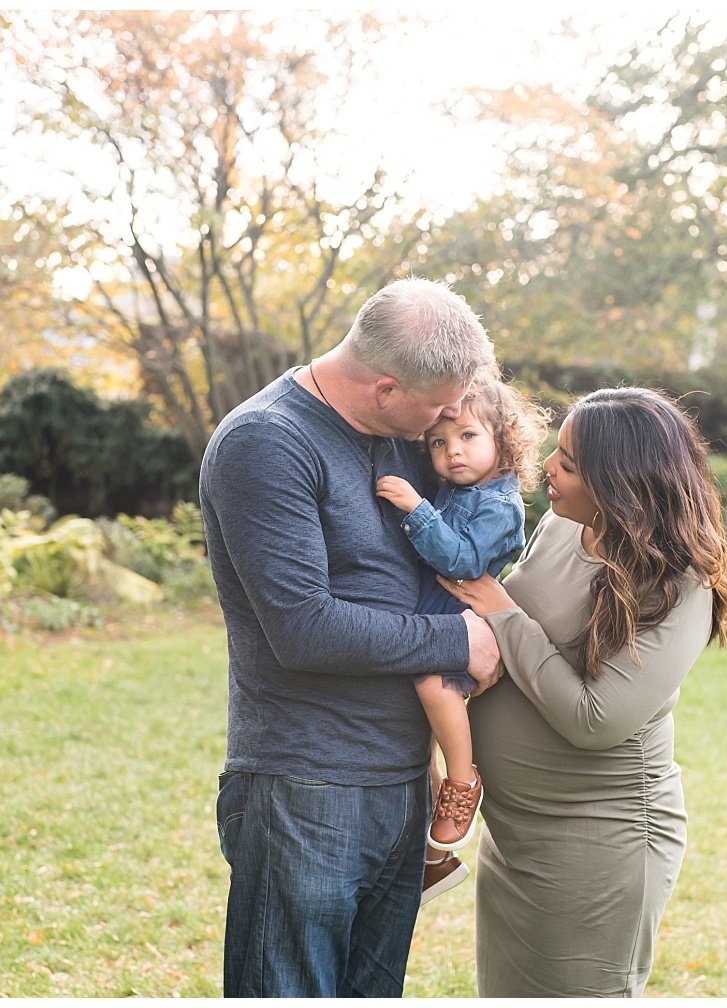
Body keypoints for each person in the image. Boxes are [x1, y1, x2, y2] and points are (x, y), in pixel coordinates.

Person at [198, 277, 504, 998]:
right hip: (307, 785)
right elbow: (302, 628)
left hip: (400, 782)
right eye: (438, 408)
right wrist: (456, 642)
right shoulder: (266, 442)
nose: (450, 419)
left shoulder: (400, 439)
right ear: (386, 387)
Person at [441, 386, 727, 997]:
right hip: (517, 835)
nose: (547, 467)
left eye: (570, 464)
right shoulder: (560, 524)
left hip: (597, 843)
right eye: (558, 452)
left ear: (623, 485)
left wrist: (500, 611)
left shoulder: (680, 585)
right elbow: (519, 644)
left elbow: (596, 718)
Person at [374, 368, 549, 898]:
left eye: (468, 437)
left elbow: (463, 559)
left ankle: (464, 780)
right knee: (416, 732)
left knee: (433, 686)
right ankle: (433, 859)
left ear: (504, 440)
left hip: (462, 616)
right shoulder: (455, 489)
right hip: (433, 611)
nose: (452, 452)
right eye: (438, 442)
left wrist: (416, 509)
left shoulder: (498, 504)